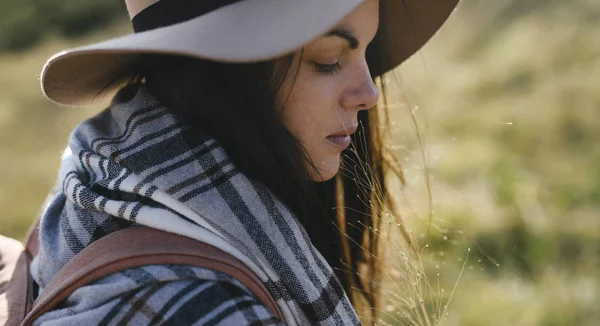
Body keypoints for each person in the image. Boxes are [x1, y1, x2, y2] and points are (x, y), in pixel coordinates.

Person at [31, 0, 458, 324]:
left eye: (368, 52)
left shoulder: (99, 182)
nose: (369, 94)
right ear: (224, 76)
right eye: (327, 62)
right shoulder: (208, 310)